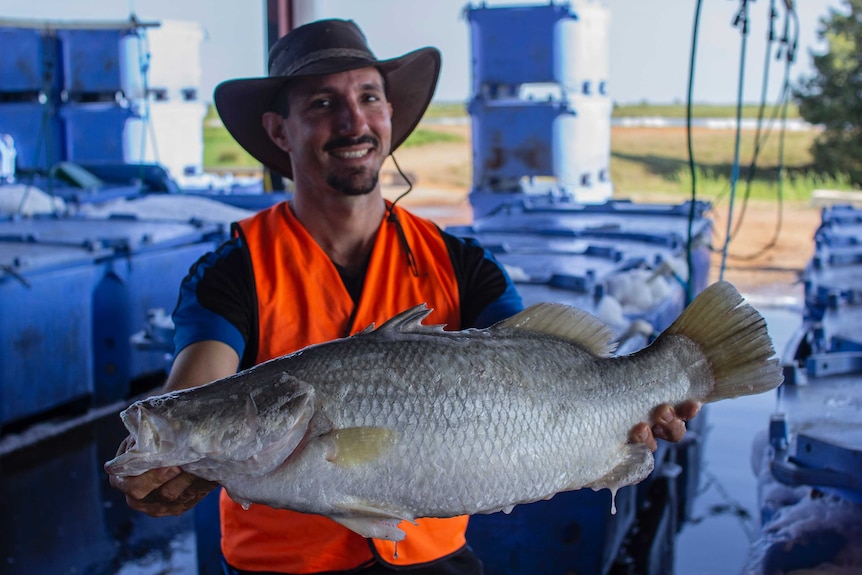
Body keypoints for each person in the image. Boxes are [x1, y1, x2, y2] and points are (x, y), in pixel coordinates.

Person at [107, 18, 700, 575]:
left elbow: (533, 376)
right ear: (278, 130)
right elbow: (198, 384)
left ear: (389, 113)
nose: (353, 122)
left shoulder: (464, 265)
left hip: (433, 563)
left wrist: (632, 412)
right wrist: (174, 441)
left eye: (368, 97)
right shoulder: (232, 270)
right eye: (322, 104)